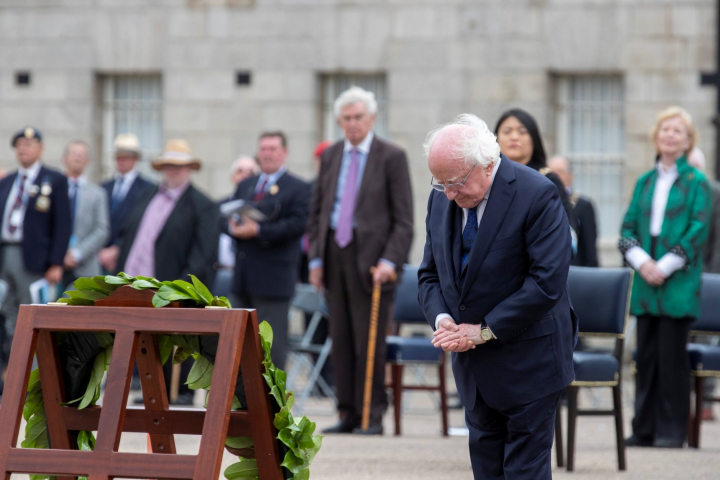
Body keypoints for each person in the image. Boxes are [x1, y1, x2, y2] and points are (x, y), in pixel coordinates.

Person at [418, 114, 576, 479]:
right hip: (474, 368)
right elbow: (429, 274)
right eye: (440, 183)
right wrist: (444, 321)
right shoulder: (442, 198)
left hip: (530, 360)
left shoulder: (536, 192)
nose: (450, 194)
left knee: (523, 472)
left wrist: (484, 330)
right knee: (487, 470)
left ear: (487, 164)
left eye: (455, 182)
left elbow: (546, 282)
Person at [307, 86, 414, 435]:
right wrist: (315, 261)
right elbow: (319, 210)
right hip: (335, 256)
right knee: (340, 339)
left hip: (374, 263)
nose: (352, 124)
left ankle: (372, 415)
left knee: (369, 341)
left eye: (358, 118)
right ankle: (347, 411)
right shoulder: (332, 154)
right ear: (339, 121)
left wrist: (390, 260)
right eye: (346, 118)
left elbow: (404, 220)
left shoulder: (391, 156)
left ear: (371, 119)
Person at [620, 107, 712, 448]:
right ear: (656, 137)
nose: (670, 135)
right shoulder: (644, 181)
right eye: (666, 130)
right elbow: (627, 228)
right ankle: (643, 428)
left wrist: (666, 265)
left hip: (678, 281)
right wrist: (643, 263)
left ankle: (673, 431)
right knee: (644, 358)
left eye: (678, 131)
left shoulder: (698, 183)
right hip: (646, 280)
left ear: (689, 141)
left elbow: (698, 229)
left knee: (672, 359)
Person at [115, 139, 219, 405]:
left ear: (189, 169)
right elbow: (132, 237)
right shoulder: (147, 195)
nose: (173, 170)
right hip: (138, 282)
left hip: (174, 285)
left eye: (178, 165)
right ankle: (154, 392)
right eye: (168, 165)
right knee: (146, 337)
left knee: (177, 339)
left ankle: (180, 393)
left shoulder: (202, 204)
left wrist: (181, 286)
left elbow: (204, 252)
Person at [226, 132, 310, 370]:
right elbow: (224, 215)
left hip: (273, 280)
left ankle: (271, 406)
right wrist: (232, 227)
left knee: (270, 349)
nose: (267, 154)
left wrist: (259, 231)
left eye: (273, 149)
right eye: (263, 149)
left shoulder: (298, 187)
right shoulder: (246, 184)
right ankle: (242, 403)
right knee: (240, 347)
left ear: (285, 152)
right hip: (243, 278)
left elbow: (298, 224)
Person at [0, 127, 72, 391]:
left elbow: (63, 224)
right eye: (19, 143)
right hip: (5, 253)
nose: (23, 148)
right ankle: (12, 374)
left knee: (32, 317)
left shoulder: (53, 179)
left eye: (29, 143)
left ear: (40, 148)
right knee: (8, 316)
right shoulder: (7, 182)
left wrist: (55, 262)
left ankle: (32, 381)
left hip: (33, 260)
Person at [494, 109, 578, 238]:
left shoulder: (548, 180)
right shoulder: (487, 179)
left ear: (534, 139)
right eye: (507, 131)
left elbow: (566, 231)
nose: (514, 137)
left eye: (522, 132)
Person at [98, 134, 154, 273]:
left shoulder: (147, 189)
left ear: (136, 159)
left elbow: (144, 226)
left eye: (127, 157)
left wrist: (117, 249)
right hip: (99, 258)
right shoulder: (104, 187)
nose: (122, 161)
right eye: (119, 157)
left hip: (130, 257)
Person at [61, 141, 110, 287]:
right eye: (74, 153)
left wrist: (77, 253)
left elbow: (102, 229)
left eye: (82, 154)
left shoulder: (98, 194)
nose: (78, 157)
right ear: (64, 158)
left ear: (87, 161)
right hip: (53, 268)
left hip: (85, 267)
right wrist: (59, 255)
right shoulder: (53, 189)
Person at [548, 155, 599, 267]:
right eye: (550, 173)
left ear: (570, 175)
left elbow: (589, 248)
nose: (554, 176)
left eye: (559, 172)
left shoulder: (583, 205)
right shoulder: (541, 202)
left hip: (574, 269)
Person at [217, 156, 260, 271]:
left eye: (251, 172)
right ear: (232, 176)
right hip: (220, 269)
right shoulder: (217, 206)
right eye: (240, 171)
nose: (245, 175)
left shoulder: (261, 207)